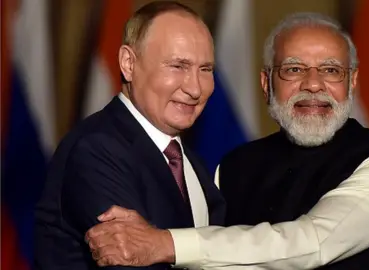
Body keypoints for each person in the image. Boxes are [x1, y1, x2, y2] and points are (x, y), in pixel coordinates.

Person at [85, 12, 369, 270]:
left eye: (331, 70)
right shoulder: (234, 166)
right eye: (293, 69)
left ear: (352, 83)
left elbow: (314, 243)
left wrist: (165, 243)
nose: (313, 84)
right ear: (266, 84)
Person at [34, 1, 226, 269]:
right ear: (128, 63)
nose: (195, 88)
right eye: (178, 66)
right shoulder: (96, 150)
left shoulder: (190, 162)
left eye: (205, 69)